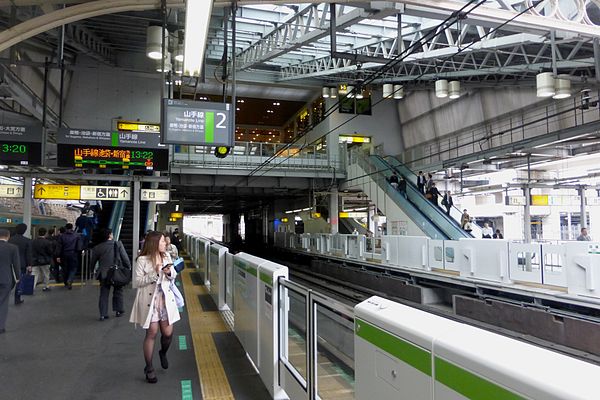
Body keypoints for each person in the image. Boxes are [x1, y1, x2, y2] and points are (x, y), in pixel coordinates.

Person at [130, 231, 180, 384]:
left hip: (165, 300)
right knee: (151, 332)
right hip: (149, 301)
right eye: (163, 242)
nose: (166, 244)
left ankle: (163, 352)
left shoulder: (166, 257)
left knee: (168, 333)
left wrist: (169, 272)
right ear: (154, 243)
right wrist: (156, 273)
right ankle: (149, 368)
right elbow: (137, 282)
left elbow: (173, 276)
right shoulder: (142, 260)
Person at [91, 228, 131, 321]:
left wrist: (91, 270)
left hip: (103, 274)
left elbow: (93, 261)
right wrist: (128, 267)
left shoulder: (97, 247)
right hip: (116, 272)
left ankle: (103, 314)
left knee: (104, 293)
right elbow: (124, 257)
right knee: (118, 291)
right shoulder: (118, 244)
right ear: (110, 235)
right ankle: (118, 310)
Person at [0, 228, 20, 334]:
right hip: (5, 278)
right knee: (3, 302)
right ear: (8, 236)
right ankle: (1, 326)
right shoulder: (12, 248)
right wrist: (18, 277)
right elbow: (16, 264)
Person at [9, 223, 32, 305]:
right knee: (19, 281)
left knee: (10, 281)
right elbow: (28, 254)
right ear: (24, 231)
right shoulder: (27, 241)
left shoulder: (10, 239)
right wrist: (29, 265)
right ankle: (17, 299)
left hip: (10, 263)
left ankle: (3, 295)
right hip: (21, 264)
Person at [57, 223, 82, 290]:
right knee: (73, 268)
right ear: (72, 228)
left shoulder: (62, 236)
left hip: (64, 254)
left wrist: (58, 256)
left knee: (65, 269)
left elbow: (59, 247)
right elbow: (79, 247)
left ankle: (65, 282)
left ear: (65, 228)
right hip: (73, 254)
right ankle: (70, 280)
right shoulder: (77, 236)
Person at [31, 227, 54, 292]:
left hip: (35, 261)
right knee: (46, 274)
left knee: (34, 275)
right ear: (45, 233)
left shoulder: (33, 241)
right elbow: (50, 252)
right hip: (45, 261)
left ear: (38, 233)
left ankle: (32, 288)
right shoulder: (47, 242)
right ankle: (46, 286)